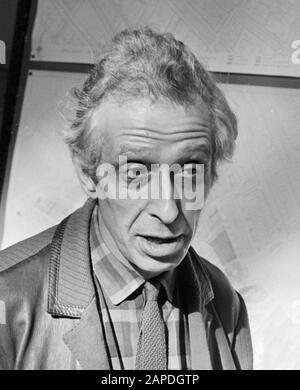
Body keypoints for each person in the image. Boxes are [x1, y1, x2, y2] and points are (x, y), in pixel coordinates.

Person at [0, 27, 252, 370]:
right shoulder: (7, 299)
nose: (167, 209)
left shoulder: (226, 305)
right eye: (136, 173)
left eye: (190, 171)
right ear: (89, 173)